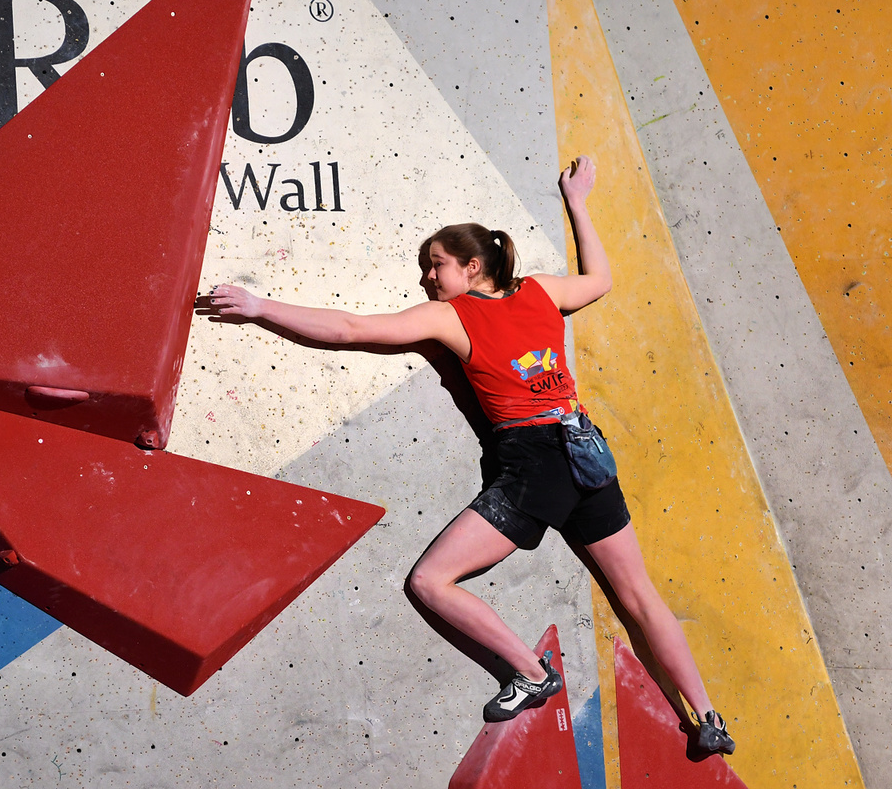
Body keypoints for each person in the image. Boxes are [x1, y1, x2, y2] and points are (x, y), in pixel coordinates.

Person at [206, 156, 734, 756]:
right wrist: (579, 202)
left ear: (471, 267)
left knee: (431, 581)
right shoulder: (541, 292)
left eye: (435, 266)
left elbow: (351, 327)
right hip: (586, 452)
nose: (427, 280)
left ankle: (532, 675)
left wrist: (260, 306)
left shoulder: (454, 315)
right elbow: (601, 280)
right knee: (640, 596)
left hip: (534, 465)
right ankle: (709, 716)